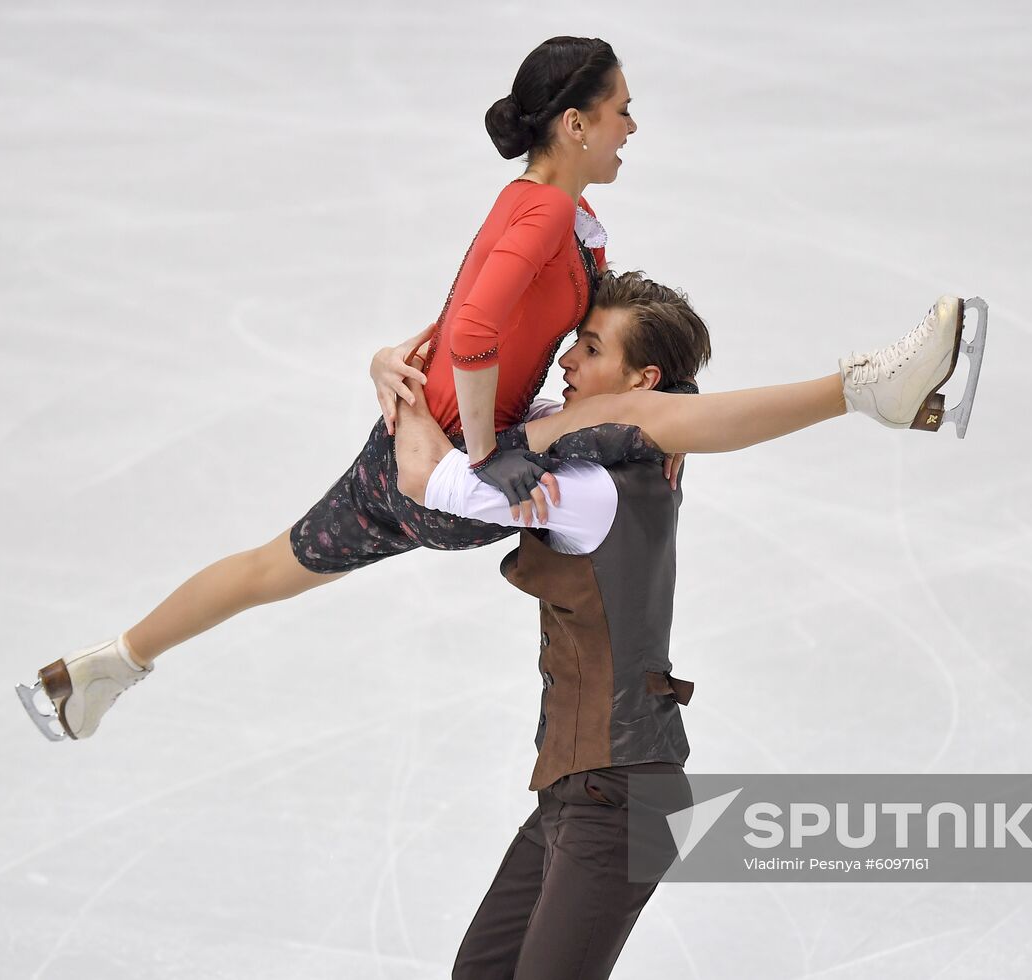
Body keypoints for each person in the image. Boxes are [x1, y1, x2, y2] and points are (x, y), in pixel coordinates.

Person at [13, 35, 656, 741]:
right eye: (621, 110)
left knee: (271, 565)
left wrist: (392, 356)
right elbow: (474, 330)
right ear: (576, 124)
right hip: (446, 475)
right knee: (629, 477)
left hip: (400, 457)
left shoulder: (533, 204)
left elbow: (475, 316)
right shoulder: (544, 215)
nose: (630, 126)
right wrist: (482, 452)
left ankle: (107, 666)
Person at [388, 270, 985, 979]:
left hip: (617, 798)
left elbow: (430, 479)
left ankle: (862, 388)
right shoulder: (619, 450)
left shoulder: (591, 491)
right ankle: (867, 392)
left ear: (642, 379)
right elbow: (539, 421)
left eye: (589, 347)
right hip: (576, 793)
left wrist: (405, 392)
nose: (566, 361)